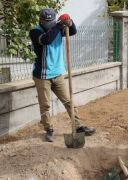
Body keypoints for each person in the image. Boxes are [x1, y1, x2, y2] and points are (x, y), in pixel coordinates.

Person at [29, 8, 96, 142]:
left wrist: (70, 23)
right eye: (46, 21)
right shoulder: (35, 31)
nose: (49, 23)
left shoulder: (57, 28)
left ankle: (78, 127)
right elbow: (47, 39)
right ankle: (49, 129)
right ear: (41, 20)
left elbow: (72, 32)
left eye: (51, 21)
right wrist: (59, 24)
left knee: (69, 101)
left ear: (54, 19)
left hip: (58, 73)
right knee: (45, 105)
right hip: (42, 75)